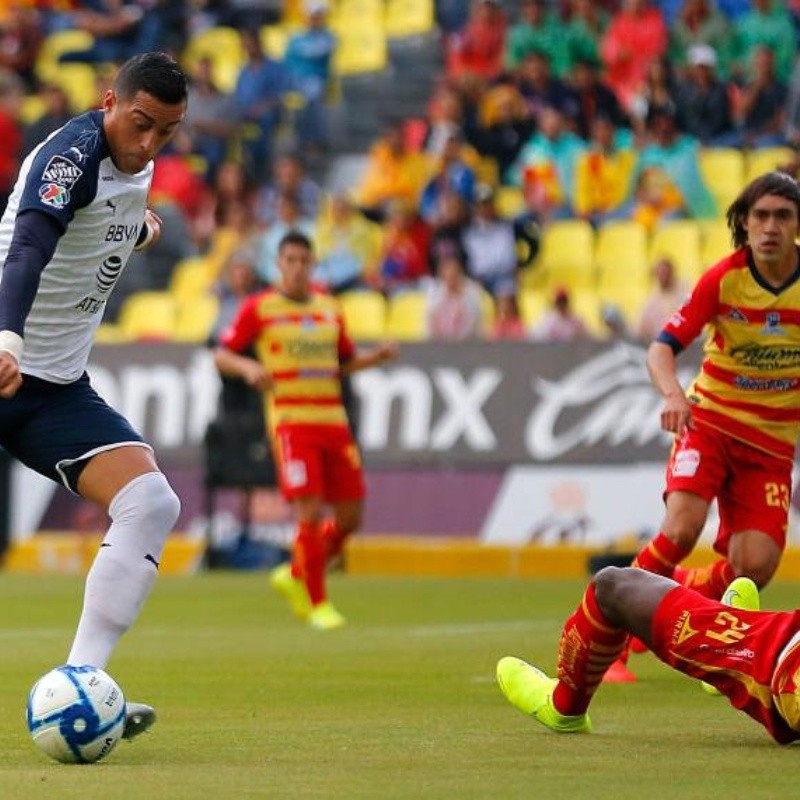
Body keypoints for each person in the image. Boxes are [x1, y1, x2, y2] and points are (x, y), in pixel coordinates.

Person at [0, 52, 188, 739]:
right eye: (139, 124)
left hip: (52, 391)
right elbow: (27, 247)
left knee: (151, 501)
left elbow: (101, 223)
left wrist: (135, 230)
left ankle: (79, 689)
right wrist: (9, 340)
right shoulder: (69, 157)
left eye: (165, 133)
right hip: (6, 355)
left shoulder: (134, 162)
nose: (148, 144)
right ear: (110, 102)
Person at [607, 171, 800, 682]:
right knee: (680, 529)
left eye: (783, 215)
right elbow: (660, 349)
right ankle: (612, 647)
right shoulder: (724, 279)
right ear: (744, 222)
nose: (770, 227)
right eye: (760, 215)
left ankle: (678, 598)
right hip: (710, 423)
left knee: (754, 566)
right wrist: (673, 394)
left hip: (772, 447)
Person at [213, 231, 398, 630]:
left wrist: (376, 358)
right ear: (279, 265)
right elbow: (222, 353)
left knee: (350, 518)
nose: (297, 268)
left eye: (304, 261)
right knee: (310, 512)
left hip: (333, 422)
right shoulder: (259, 309)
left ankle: (297, 571)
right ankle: (317, 602)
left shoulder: (330, 309)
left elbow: (343, 363)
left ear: (313, 265)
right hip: (292, 423)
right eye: (290, 260)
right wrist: (248, 368)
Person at [496, 567, 800, 744]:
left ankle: (564, 707)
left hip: (782, 661)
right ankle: (730, 644)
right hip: (786, 632)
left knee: (612, 587)